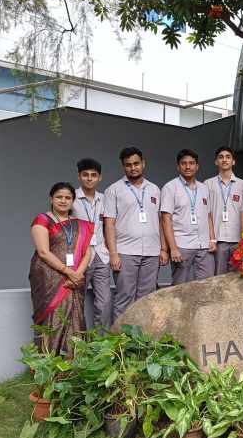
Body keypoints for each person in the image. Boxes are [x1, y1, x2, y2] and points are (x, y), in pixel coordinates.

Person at [103, 147, 166, 322]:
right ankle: (120, 337)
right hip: (125, 252)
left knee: (147, 299)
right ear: (123, 167)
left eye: (136, 163)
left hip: (152, 252)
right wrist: (113, 253)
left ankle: (143, 336)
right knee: (124, 297)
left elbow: (160, 221)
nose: (133, 168)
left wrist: (163, 249)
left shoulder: (154, 189)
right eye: (128, 165)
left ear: (143, 163)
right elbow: (109, 224)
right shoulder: (113, 190)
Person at [29, 182, 93, 354]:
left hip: (76, 276)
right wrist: (69, 272)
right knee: (53, 315)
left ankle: (74, 359)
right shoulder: (43, 220)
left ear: (73, 201)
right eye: (59, 197)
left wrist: (78, 274)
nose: (63, 201)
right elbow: (43, 252)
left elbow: (88, 252)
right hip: (49, 276)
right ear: (51, 199)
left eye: (68, 198)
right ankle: (48, 360)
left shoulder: (80, 224)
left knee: (75, 315)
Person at [160, 149, 216, 285]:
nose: (188, 166)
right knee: (181, 288)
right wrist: (173, 248)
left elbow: (208, 216)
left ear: (197, 166)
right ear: (178, 167)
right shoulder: (170, 187)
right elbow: (166, 220)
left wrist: (212, 239)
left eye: (191, 163)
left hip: (204, 246)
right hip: (182, 246)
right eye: (184, 163)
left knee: (207, 286)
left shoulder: (204, 188)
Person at [71, 158, 112, 329]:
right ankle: (77, 340)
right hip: (80, 257)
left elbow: (110, 226)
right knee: (75, 301)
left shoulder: (105, 199)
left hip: (101, 255)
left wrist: (111, 250)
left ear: (99, 177)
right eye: (85, 175)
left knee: (104, 303)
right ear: (79, 176)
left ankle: (100, 340)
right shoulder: (71, 198)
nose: (89, 178)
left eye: (93, 175)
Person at [205, 146, 243, 274]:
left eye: (228, 157)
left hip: (238, 239)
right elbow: (206, 213)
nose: (224, 160)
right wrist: (211, 239)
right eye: (221, 157)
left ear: (233, 161)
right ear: (216, 162)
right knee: (218, 277)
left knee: (239, 277)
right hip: (218, 240)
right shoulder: (208, 184)